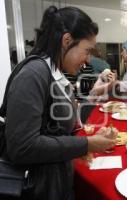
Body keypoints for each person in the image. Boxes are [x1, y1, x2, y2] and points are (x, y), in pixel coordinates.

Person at [1, 6, 116, 199]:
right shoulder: (34, 74)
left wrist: (94, 94)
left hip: (57, 184)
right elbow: (22, 147)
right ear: (67, 40)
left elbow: (61, 124)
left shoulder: (54, 72)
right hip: (40, 189)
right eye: (86, 51)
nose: (87, 60)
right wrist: (86, 144)